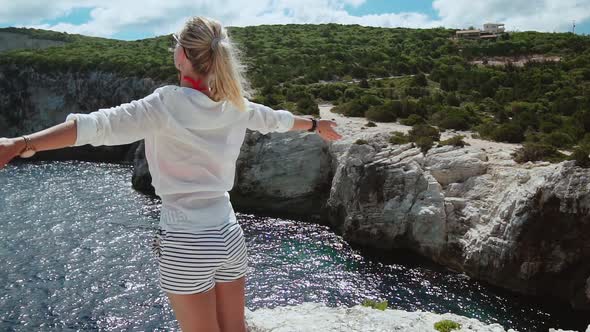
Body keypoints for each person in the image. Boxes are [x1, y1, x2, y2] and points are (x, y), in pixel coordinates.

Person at [0, 16, 342, 332]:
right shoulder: (237, 105)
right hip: (229, 235)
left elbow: (94, 127)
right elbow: (278, 120)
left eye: (176, 43)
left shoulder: (164, 105)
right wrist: (316, 125)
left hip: (186, 240)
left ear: (183, 55)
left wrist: (21, 143)